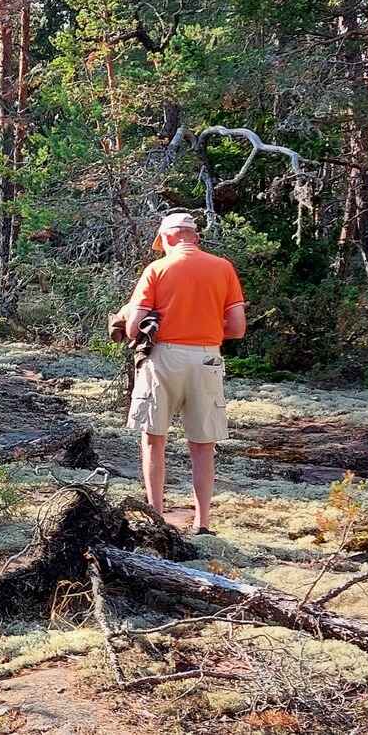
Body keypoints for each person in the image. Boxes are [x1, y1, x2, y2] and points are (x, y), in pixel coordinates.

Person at [114, 212, 247, 535]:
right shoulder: (223, 268)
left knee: (153, 438)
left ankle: (156, 517)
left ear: (168, 237)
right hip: (207, 357)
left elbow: (133, 328)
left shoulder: (157, 270)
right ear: (194, 236)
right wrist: (205, 327)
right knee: (203, 444)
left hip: (163, 357)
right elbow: (237, 328)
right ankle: (203, 523)